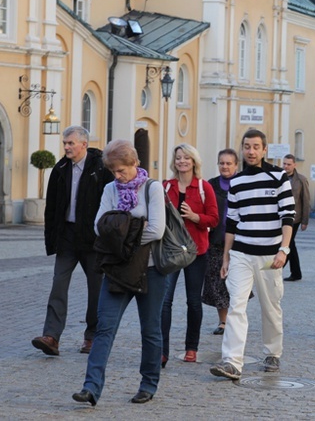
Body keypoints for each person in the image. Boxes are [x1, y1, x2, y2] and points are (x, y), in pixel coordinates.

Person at [72, 139, 166, 406]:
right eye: (113, 170)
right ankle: (90, 387)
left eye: (121, 170)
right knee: (104, 328)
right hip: (117, 269)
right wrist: (134, 228)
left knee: (150, 330)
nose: (118, 175)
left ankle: (148, 383)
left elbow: (156, 230)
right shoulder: (110, 189)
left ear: (135, 163)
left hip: (151, 270)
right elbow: (99, 227)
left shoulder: (153, 188)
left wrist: (121, 232)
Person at [210, 129, 295, 380]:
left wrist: (284, 249)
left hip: (270, 255)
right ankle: (232, 362)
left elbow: (288, 216)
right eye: (247, 146)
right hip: (241, 254)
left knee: (271, 306)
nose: (251, 151)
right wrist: (226, 256)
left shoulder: (278, 176)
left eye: (256, 146)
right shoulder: (236, 182)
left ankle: (272, 352)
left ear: (264, 149)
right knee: (236, 305)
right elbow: (232, 222)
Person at [32, 126, 113, 356]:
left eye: (70, 143)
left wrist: (106, 236)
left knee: (96, 289)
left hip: (93, 239)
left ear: (84, 144)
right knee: (58, 284)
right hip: (67, 237)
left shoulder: (100, 168)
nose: (66, 147)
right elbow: (52, 207)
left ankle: (92, 336)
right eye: (65, 143)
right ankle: (51, 336)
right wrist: (52, 240)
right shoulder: (60, 169)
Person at [161, 144, 219, 367]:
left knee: (194, 302)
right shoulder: (166, 187)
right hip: (171, 251)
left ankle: (191, 348)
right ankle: (162, 350)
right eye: (178, 158)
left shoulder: (204, 188)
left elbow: (214, 219)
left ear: (194, 161)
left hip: (197, 251)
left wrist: (195, 217)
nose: (182, 161)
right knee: (164, 302)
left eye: (186, 158)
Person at [203, 149, 239, 336]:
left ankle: (236, 318)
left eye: (228, 163)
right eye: (221, 163)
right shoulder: (211, 185)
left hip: (240, 241)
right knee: (218, 281)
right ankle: (223, 321)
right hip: (216, 239)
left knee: (237, 281)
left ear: (236, 165)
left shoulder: (242, 183)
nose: (225, 166)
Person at [282, 154, 311, 281]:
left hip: (295, 217)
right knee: (290, 244)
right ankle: (296, 272)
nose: (286, 166)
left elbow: (306, 200)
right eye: (284, 164)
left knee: (287, 243)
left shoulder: (301, 180)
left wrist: (305, 220)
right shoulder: (279, 178)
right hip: (281, 216)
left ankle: (278, 268)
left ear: (294, 165)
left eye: (289, 164)